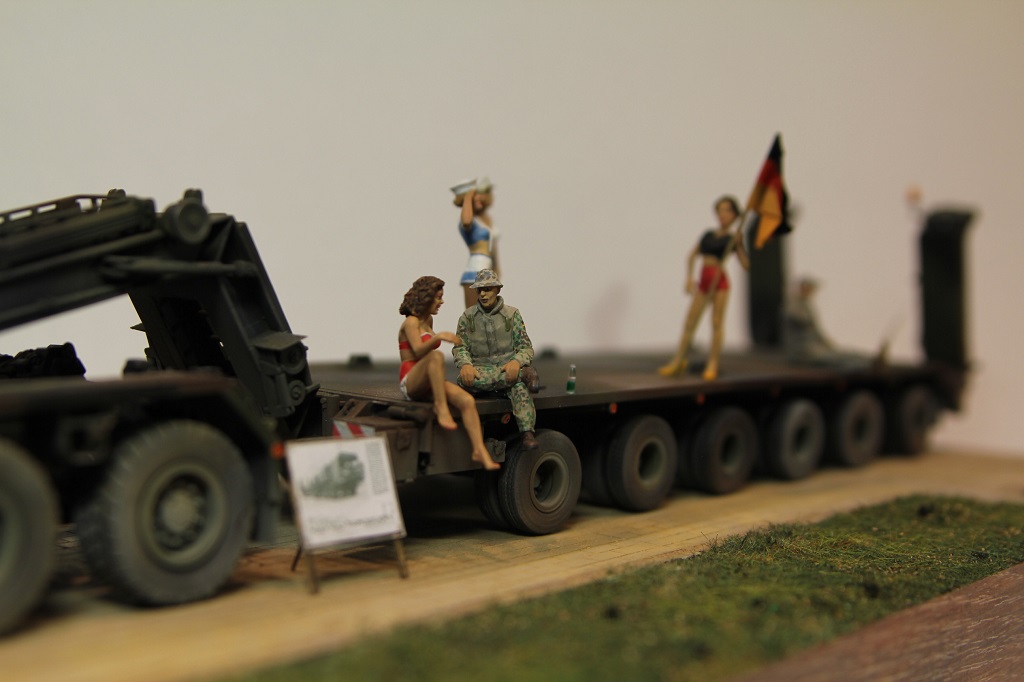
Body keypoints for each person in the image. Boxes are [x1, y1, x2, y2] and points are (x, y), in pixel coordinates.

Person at [399, 276, 499, 470]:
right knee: (436, 356)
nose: (442, 302)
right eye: (438, 297)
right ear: (426, 298)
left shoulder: (428, 320)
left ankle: (479, 449)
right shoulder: (411, 322)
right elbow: (418, 351)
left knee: (467, 401)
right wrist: (440, 336)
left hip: (429, 380)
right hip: (411, 380)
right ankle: (441, 407)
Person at [658, 195, 750, 380]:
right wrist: (689, 278)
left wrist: (739, 246)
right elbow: (692, 255)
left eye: (727, 210)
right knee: (689, 322)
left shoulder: (733, 238)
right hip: (704, 281)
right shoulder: (708, 235)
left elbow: (746, 266)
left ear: (734, 214)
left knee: (716, 323)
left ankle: (713, 363)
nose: (722, 214)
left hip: (719, 283)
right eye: (720, 210)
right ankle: (678, 360)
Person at [453, 269, 540, 450]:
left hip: (506, 367)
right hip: (481, 370)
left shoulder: (511, 314)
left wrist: (516, 362)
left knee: (519, 390)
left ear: (498, 289)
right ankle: (523, 375)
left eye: (488, 289)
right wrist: (466, 364)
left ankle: (527, 432)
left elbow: (525, 347)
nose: (483, 294)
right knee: (464, 380)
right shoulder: (468, 317)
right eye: (480, 290)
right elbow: (460, 347)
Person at [451, 177, 499, 309]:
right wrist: (468, 196)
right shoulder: (467, 222)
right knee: (473, 313)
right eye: (475, 196)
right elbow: (467, 221)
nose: (479, 198)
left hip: (486, 268)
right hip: (475, 270)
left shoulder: (481, 220)